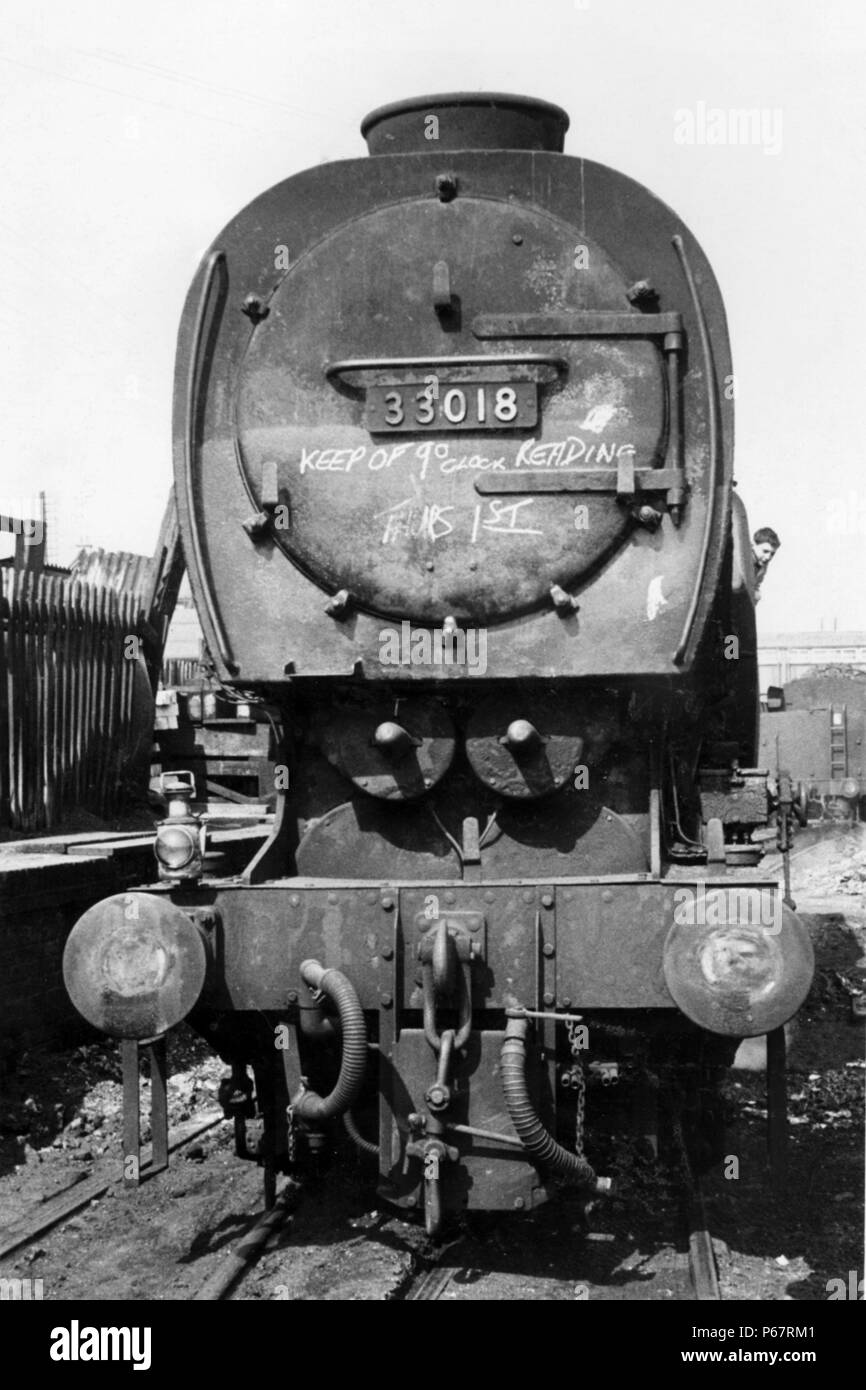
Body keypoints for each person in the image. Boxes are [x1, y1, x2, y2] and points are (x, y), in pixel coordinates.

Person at [752, 527, 780, 601]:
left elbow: (756, 585)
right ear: (753, 545)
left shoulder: (763, 565)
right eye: (765, 551)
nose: (768, 557)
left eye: (772, 554)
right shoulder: (744, 557)